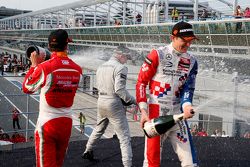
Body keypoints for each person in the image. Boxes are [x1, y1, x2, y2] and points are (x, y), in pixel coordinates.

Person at [136, 21, 199, 167]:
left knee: (191, 162)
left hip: (178, 115)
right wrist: (144, 111)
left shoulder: (192, 61)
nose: (188, 45)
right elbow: (141, 83)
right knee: (152, 161)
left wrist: (187, 105)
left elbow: (188, 89)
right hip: (156, 115)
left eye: (191, 41)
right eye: (185, 41)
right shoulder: (157, 54)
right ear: (173, 37)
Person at [22, 29, 82, 167]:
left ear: (49, 46)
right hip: (66, 123)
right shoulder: (77, 69)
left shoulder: (44, 67)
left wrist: (33, 66)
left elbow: (27, 87)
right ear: (67, 45)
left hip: (47, 124)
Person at [82, 45, 136, 167]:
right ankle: (127, 164)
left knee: (99, 128)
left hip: (101, 100)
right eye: (126, 57)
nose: (127, 59)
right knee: (124, 136)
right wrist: (133, 100)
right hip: (113, 103)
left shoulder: (101, 66)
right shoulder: (121, 68)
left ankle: (88, 150)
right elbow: (120, 90)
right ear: (120, 55)